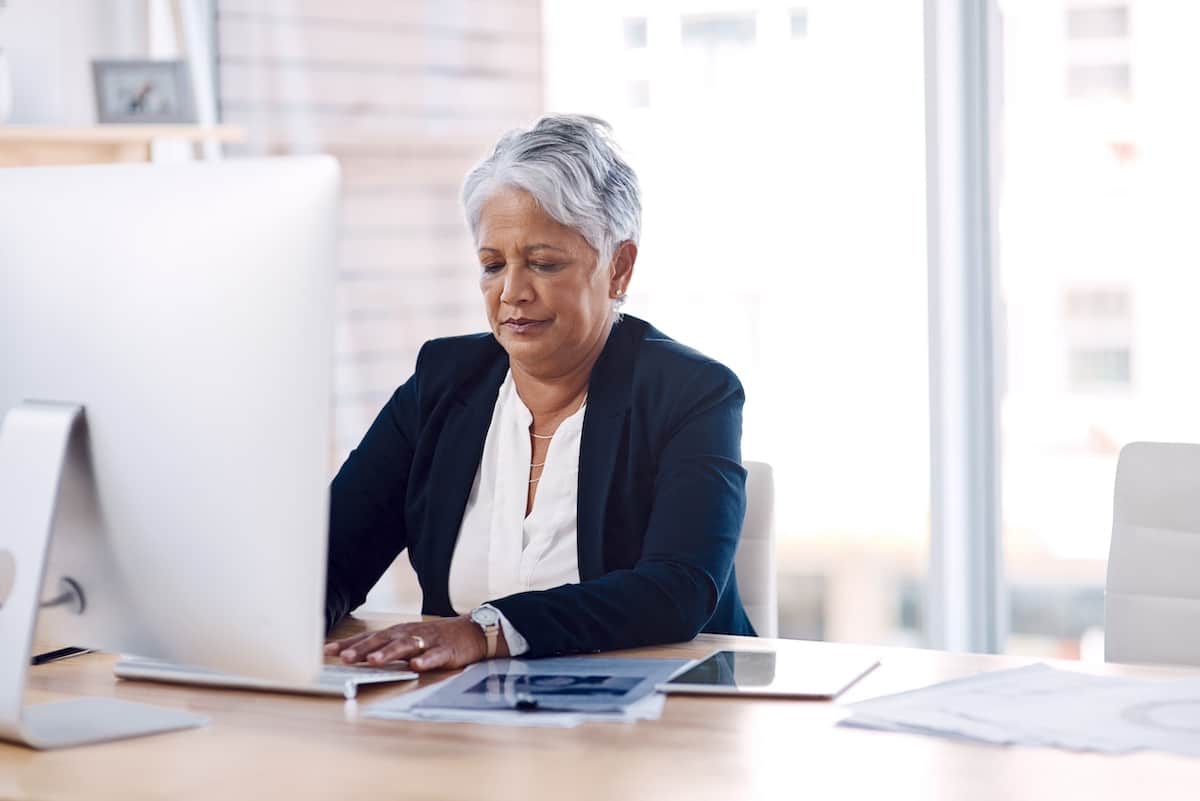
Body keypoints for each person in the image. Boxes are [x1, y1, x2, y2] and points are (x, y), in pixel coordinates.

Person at [323, 114, 754, 673]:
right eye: (492, 265)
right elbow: (333, 557)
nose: (512, 292)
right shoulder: (442, 383)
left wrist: (487, 632)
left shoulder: (691, 393)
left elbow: (679, 589)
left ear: (618, 268)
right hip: (462, 723)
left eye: (543, 264)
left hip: (662, 716)